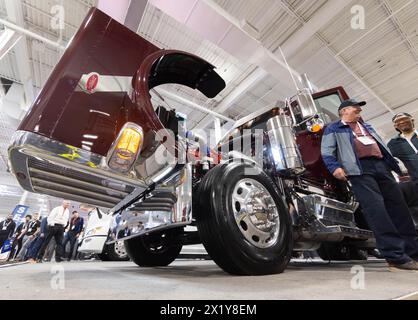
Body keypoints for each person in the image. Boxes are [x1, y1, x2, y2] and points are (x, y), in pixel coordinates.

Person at [321, 98, 418, 271]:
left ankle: (413, 253)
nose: (359, 110)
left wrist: (394, 166)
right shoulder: (333, 128)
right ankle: (395, 257)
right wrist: (335, 168)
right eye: (355, 108)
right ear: (343, 111)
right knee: (377, 212)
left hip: (381, 167)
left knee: (400, 209)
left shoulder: (367, 126)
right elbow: (327, 151)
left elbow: (381, 146)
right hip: (359, 170)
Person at [388, 112, 418, 181]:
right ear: (395, 126)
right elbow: (392, 162)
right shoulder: (393, 144)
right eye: (397, 121)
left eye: (404, 119)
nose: (401, 122)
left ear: (412, 120)